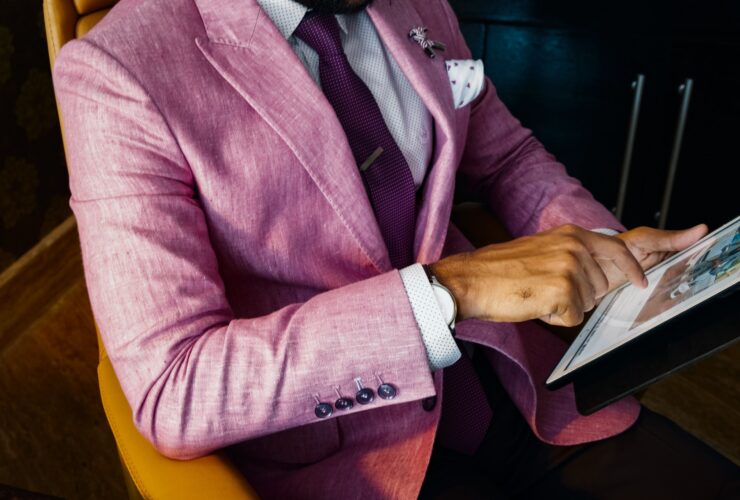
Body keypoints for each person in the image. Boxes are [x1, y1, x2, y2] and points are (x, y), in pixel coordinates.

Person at [52, 0, 740, 497]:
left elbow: (506, 157)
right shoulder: (117, 72)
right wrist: (451, 291)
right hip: (344, 462)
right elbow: (175, 388)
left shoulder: (415, 5)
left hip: (517, 392)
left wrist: (602, 251)